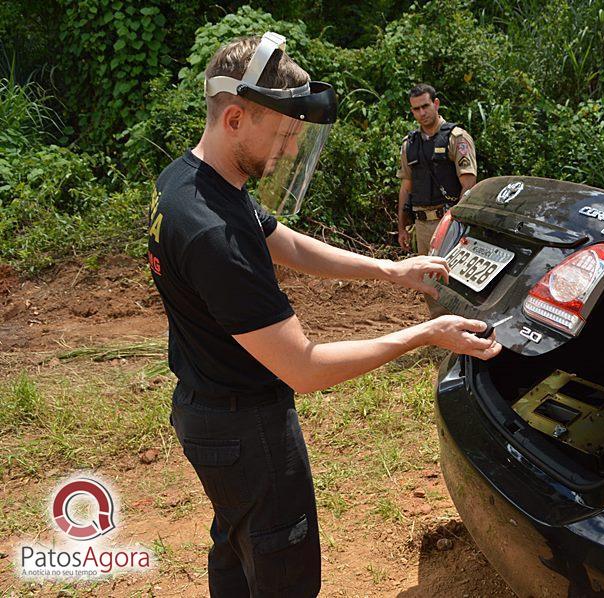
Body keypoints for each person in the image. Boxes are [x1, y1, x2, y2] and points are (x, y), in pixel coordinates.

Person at [147, 33, 500, 598]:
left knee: (237, 556)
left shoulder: (192, 182)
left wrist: (390, 270)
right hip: (247, 430)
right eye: (284, 134)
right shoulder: (215, 234)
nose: (289, 150)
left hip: (208, 413)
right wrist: (426, 334)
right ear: (235, 117)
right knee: (284, 578)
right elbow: (305, 368)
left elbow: (281, 241)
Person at [396, 83, 477, 256]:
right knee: (425, 279)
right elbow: (405, 187)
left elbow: (468, 184)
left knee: (447, 278)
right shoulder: (409, 144)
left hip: (449, 223)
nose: (422, 113)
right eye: (416, 109)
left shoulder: (456, 138)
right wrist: (402, 228)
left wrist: (456, 223)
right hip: (421, 225)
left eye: (425, 106)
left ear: (436, 104)